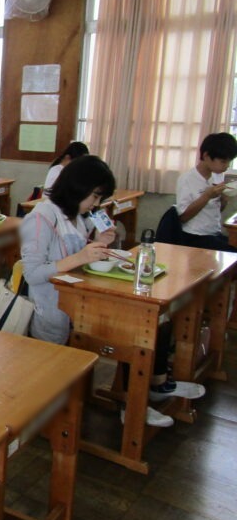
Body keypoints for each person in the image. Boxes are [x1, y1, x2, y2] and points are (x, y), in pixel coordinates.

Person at [20, 155, 203, 427]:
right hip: (54, 308)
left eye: (99, 198)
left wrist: (99, 241)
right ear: (77, 187)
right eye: (95, 196)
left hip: (81, 299)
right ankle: (134, 405)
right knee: (137, 330)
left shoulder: (75, 216)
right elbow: (32, 274)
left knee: (154, 322)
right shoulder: (40, 218)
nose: (96, 204)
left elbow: (78, 256)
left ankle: (149, 389)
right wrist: (81, 256)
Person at [176, 132, 237, 251]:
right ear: (206, 156)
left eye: (229, 162)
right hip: (194, 236)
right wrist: (207, 195)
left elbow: (215, 210)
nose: (226, 166)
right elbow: (183, 217)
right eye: (223, 161)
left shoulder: (218, 176)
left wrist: (224, 199)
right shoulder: (187, 179)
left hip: (214, 233)